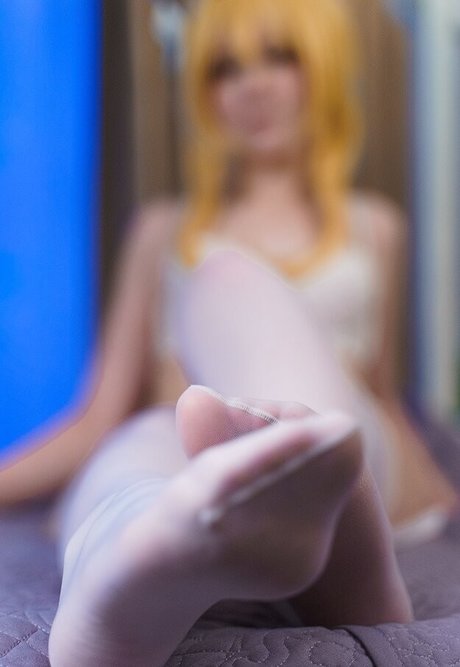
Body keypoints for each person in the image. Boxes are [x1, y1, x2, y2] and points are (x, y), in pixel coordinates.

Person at [0, 0, 457, 664]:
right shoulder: (162, 230)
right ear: (204, 93)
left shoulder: (374, 228)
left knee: (226, 280)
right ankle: (125, 567)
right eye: (225, 68)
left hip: (342, 430)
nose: (252, 86)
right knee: (133, 466)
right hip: (181, 436)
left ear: (323, 68)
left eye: (280, 57)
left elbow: (381, 392)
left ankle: (308, 485)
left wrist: (437, 488)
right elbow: (97, 417)